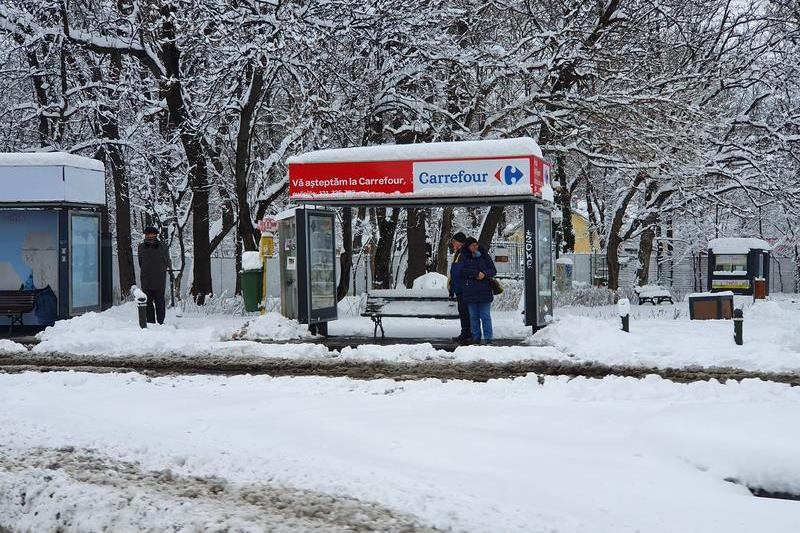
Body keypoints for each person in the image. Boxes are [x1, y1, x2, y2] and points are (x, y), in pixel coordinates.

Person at [460, 237, 497, 344]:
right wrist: (475, 273)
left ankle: (488, 338)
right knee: (474, 316)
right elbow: (462, 271)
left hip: (484, 289)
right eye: (472, 245)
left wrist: (484, 274)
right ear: (468, 247)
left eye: (476, 244)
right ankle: (476, 337)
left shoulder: (484, 256)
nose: (475, 247)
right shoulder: (463, 257)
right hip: (470, 290)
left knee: (485, 316)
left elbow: (493, 270)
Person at [138, 226, 171, 325]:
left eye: (151, 234)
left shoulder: (163, 246)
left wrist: (160, 271)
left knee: (160, 302)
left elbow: (166, 261)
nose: (149, 236)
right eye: (147, 234)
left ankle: (161, 322)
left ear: (156, 235)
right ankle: (150, 322)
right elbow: (140, 262)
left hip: (159, 279)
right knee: (147, 303)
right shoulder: (141, 247)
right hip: (146, 279)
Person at [448, 232, 471, 343]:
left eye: (454, 242)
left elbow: (461, 270)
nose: (453, 244)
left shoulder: (464, 253)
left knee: (465, 311)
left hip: (464, 287)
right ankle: (464, 333)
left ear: (459, 242)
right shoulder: (458, 253)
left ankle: (468, 333)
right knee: (462, 311)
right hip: (459, 287)